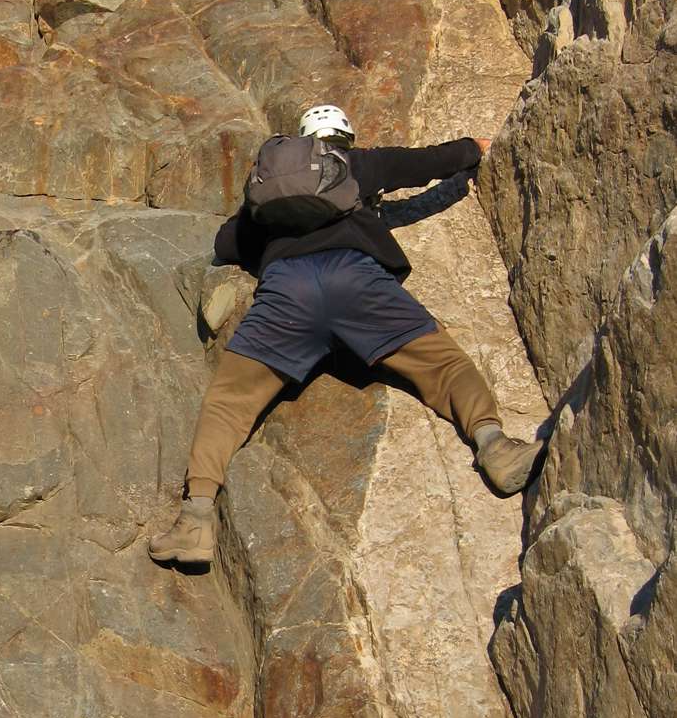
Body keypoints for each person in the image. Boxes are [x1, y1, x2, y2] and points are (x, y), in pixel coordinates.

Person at [149, 103, 543, 566]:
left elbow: (224, 243)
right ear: (343, 139)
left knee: (228, 403)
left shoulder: (270, 191)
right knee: (445, 366)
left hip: (287, 293)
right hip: (356, 281)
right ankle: (494, 446)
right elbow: (421, 164)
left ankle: (195, 519)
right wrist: (472, 149)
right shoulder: (354, 165)